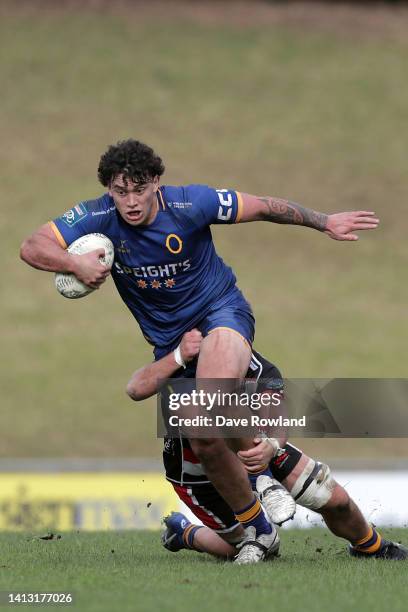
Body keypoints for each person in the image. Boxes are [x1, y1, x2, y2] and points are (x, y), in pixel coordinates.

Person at [20, 139, 379, 563]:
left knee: (214, 395)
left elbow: (263, 206)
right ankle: (240, 528)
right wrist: (74, 264)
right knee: (206, 432)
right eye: (121, 192)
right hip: (174, 348)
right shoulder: (96, 217)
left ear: (157, 182)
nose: (131, 202)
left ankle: (267, 483)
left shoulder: (193, 203)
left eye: (140, 189)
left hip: (221, 310)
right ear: (108, 190)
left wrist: (324, 222)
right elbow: (32, 246)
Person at [126, 329, 408, 562]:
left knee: (333, 499)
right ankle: (185, 532)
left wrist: (272, 445)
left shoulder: (257, 366)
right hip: (197, 472)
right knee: (244, 547)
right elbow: (138, 389)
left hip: (252, 447)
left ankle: (371, 547)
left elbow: (276, 413)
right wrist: (178, 355)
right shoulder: (179, 365)